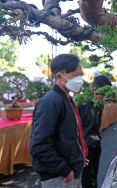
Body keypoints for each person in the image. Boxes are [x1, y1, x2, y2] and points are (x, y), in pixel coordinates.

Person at [30, 54, 88, 188]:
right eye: (74, 75)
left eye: (80, 75)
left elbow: (67, 136)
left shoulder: (66, 98)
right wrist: (65, 171)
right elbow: (39, 145)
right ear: (59, 76)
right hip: (59, 176)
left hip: (69, 169)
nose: (80, 80)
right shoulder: (51, 102)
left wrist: (77, 157)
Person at [78, 75, 111, 188]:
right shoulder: (81, 103)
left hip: (95, 142)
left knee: (93, 174)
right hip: (85, 145)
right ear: (94, 89)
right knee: (87, 176)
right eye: (103, 94)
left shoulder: (98, 104)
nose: (105, 98)